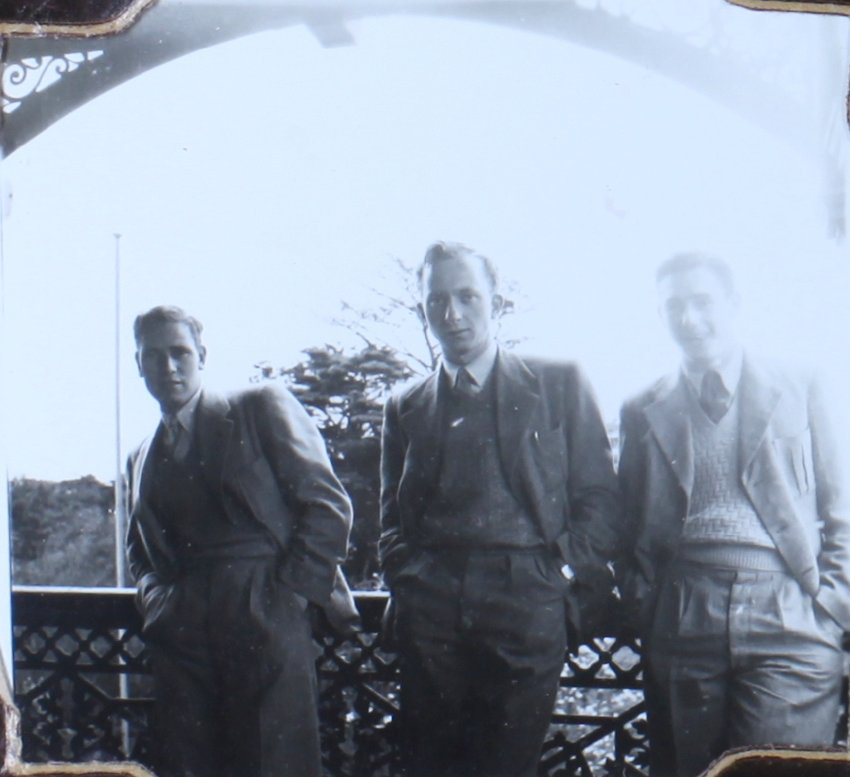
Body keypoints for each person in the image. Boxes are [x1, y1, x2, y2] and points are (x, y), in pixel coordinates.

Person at [379, 241, 620, 777]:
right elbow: (390, 520)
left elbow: (601, 498)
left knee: (506, 765)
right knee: (431, 765)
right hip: (434, 603)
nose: (452, 314)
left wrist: (556, 571)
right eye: (436, 300)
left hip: (526, 596)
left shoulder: (558, 382)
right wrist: (412, 579)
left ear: (497, 302)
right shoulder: (406, 404)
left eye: (467, 296)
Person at [618, 253, 850, 777]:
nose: (689, 319)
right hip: (683, 612)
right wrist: (647, 605)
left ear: (735, 305)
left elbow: (842, 503)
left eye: (703, 302)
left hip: (790, 608)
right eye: (674, 306)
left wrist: (831, 603)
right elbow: (628, 520)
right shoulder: (642, 406)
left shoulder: (802, 383)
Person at [126, 305, 357, 777]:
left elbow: (328, 507)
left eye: (179, 353)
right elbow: (139, 549)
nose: (168, 367)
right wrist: (157, 601)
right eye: (154, 356)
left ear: (202, 355)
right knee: (189, 764)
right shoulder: (141, 455)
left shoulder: (258, 407)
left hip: (265, 618)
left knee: (271, 762)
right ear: (139, 365)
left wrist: (288, 598)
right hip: (184, 632)